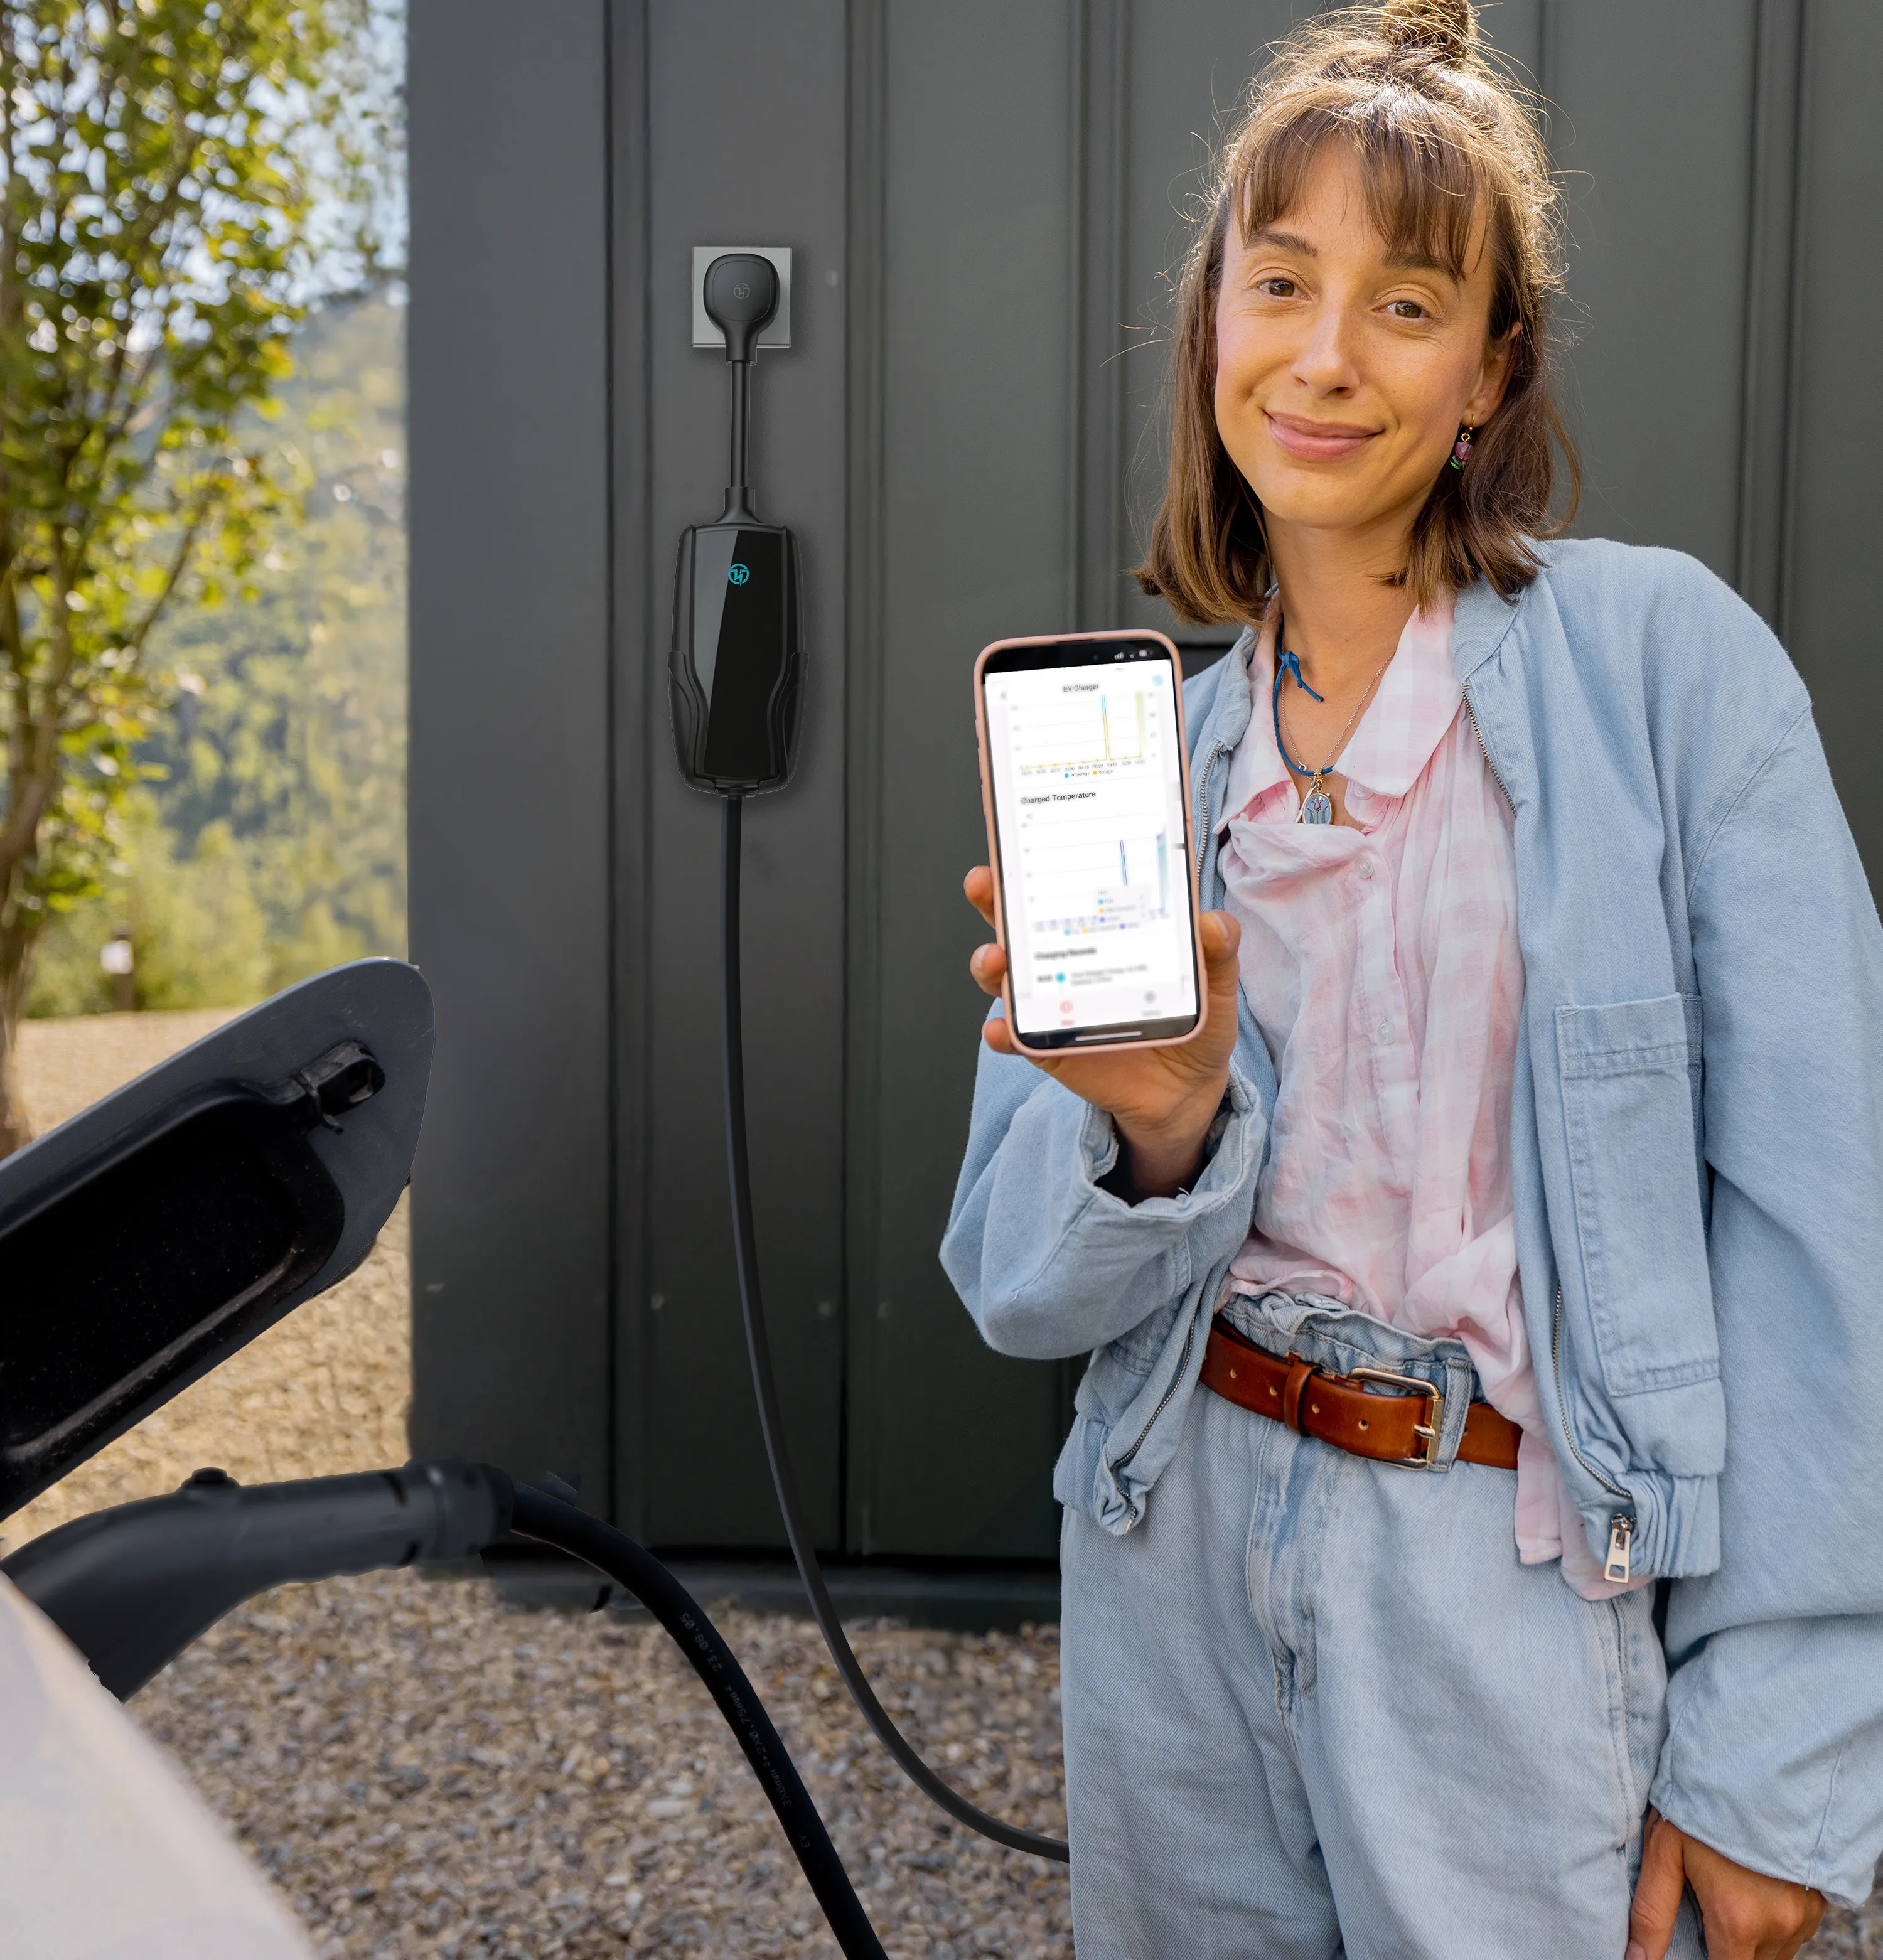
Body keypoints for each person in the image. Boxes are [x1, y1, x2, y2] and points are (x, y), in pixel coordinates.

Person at [942, 3, 1882, 1954]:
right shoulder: (1157, 761)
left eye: (1406, 299)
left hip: (1507, 1593)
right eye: (1280, 282)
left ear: (1490, 367)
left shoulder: (1662, 673)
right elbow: (1012, 1278)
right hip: (1170, 1555)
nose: (1325, 356)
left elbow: (1832, 1221)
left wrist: (1785, 1746)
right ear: (1212, 320)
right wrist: (1157, 1134)